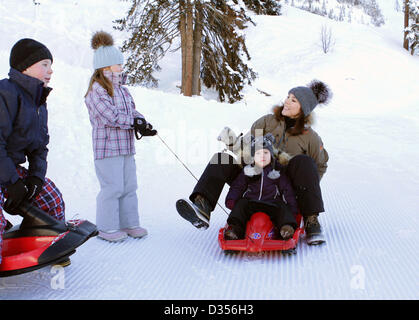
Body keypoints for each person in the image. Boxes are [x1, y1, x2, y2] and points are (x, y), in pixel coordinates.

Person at [176, 80, 331, 245]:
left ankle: (311, 220)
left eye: (293, 100)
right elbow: (248, 146)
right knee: (220, 158)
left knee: (304, 162)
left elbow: (320, 165)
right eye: (288, 96)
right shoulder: (266, 122)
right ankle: (202, 206)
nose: (286, 101)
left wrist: (304, 188)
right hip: (255, 176)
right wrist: (234, 144)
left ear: (304, 109)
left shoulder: (310, 137)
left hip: (285, 185)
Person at [84, 31, 156, 242]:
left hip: (125, 148)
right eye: (119, 64)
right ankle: (106, 227)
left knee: (129, 187)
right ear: (106, 67)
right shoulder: (96, 91)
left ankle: (129, 223)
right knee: (112, 188)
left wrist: (143, 122)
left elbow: (132, 112)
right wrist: (133, 122)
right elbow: (110, 116)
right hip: (107, 149)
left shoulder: (122, 91)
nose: (122, 67)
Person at [0, 38, 66, 264]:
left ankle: (51, 248)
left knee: (51, 197)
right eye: (44, 64)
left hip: (7, 168)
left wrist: (35, 177)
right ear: (25, 66)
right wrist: (11, 182)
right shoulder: (4, 93)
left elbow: (39, 147)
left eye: (51, 65)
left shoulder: (38, 101)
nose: (50, 70)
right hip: (3, 168)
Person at [224, 134, 298, 240]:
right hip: (251, 204)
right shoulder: (248, 171)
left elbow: (287, 190)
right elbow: (238, 186)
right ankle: (235, 229)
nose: (262, 156)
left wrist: (292, 209)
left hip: (272, 204)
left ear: (271, 155)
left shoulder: (276, 171)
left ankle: (286, 228)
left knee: (282, 207)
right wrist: (232, 199)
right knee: (241, 204)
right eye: (258, 153)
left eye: (266, 153)